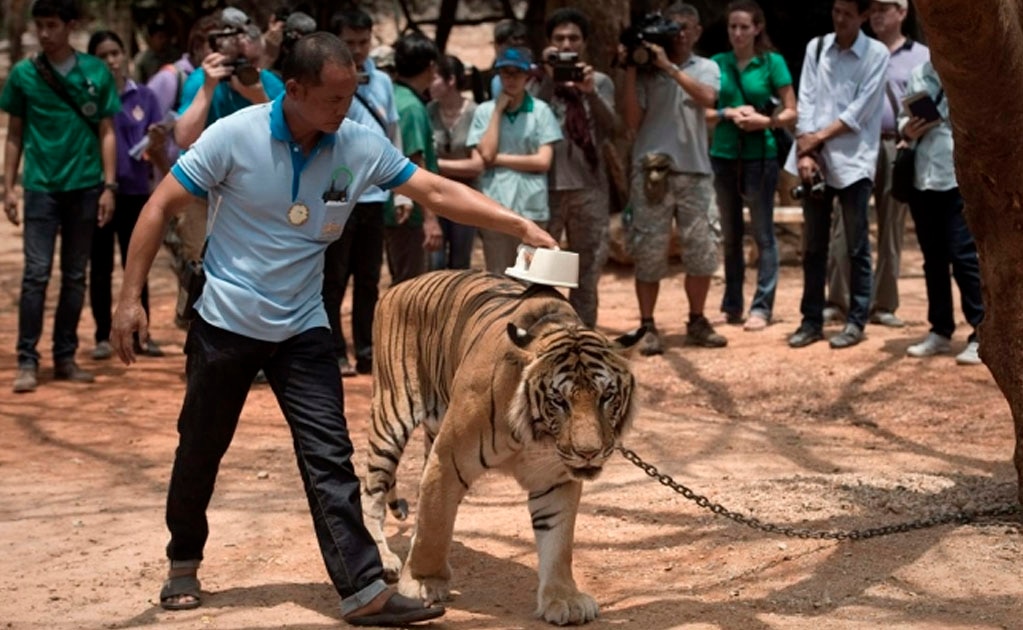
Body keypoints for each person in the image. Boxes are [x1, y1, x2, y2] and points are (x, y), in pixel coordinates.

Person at [108, 31, 557, 623]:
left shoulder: (355, 144)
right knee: (201, 448)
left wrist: (518, 225)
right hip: (226, 322)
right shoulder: (234, 136)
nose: (343, 110)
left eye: (351, 97)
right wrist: (129, 298)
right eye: (333, 98)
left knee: (328, 455)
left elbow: (435, 189)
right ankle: (183, 560)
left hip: (303, 324)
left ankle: (362, 588)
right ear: (292, 89)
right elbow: (159, 205)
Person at [1, 0, 120, 393]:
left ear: (71, 26)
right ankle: (27, 360)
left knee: (74, 276)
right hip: (40, 188)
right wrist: (8, 185)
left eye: (52, 25)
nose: (44, 33)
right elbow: (15, 132)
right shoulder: (23, 74)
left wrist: (109, 185)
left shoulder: (95, 72)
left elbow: (106, 130)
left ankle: (65, 356)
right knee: (35, 276)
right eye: (40, 25)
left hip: (85, 187)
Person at [621, 2, 727, 354]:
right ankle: (647, 325)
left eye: (686, 27)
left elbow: (707, 97)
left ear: (697, 32)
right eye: (673, 27)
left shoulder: (706, 67)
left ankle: (697, 319)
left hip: (695, 171)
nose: (679, 33)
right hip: (652, 170)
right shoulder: (646, 71)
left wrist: (669, 68)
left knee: (702, 250)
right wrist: (634, 68)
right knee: (649, 250)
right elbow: (631, 122)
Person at [171, 7, 285, 329]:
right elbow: (183, 137)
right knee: (202, 269)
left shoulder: (271, 83)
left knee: (254, 272)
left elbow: (286, 136)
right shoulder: (200, 80)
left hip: (253, 196)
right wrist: (208, 87)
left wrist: (257, 95)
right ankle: (201, 339)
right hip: (202, 196)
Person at [784, 0, 889, 350]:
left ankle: (856, 320)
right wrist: (806, 152)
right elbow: (807, 102)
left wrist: (815, 139)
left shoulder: (876, 54)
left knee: (856, 245)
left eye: (848, 13)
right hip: (814, 162)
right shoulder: (817, 48)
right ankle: (811, 320)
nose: (839, 18)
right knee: (814, 247)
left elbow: (860, 111)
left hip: (854, 161)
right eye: (836, 10)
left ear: (863, 15)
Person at [826, 0, 930, 328]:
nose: (879, 14)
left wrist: (912, 134)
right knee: (844, 222)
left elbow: (929, 105)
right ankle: (838, 300)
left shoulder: (922, 56)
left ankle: (884, 304)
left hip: (894, 143)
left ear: (903, 13)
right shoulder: (855, 50)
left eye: (887, 8)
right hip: (853, 143)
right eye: (875, 8)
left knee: (891, 227)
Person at [709, 0, 797, 332]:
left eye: (744, 26)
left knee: (763, 234)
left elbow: (792, 112)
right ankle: (732, 306)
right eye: (732, 27)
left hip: (762, 156)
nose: (737, 33)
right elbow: (702, 111)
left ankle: (762, 307)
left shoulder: (771, 63)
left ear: (757, 28)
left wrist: (764, 121)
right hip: (725, 156)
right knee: (731, 236)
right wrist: (726, 113)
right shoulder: (717, 64)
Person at [324, 7, 401, 377]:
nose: (357, 49)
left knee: (369, 278)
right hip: (338, 193)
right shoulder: (329, 80)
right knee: (333, 278)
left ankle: (367, 350)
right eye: (350, 42)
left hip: (375, 195)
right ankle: (335, 350)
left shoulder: (383, 82)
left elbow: (393, 133)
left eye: (363, 41)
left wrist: (401, 192)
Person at [87, 30, 170, 360]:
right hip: (99, 192)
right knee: (101, 266)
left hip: (137, 191)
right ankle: (101, 336)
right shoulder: (89, 97)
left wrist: (157, 139)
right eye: (102, 55)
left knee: (137, 263)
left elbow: (157, 146)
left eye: (115, 53)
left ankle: (141, 337)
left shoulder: (145, 97)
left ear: (124, 55)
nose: (110, 61)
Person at [535, 7, 617, 328]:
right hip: (546, 188)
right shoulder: (538, 82)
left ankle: (584, 336)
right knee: (541, 270)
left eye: (573, 38)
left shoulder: (600, 82)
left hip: (590, 188)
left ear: (584, 43)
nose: (567, 44)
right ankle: (544, 335)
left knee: (588, 269)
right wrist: (547, 76)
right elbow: (530, 122)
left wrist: (590, 93)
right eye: (559, 39)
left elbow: (614, 127)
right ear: (549, 43)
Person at [899, 61, 984, 365]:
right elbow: (902, 118)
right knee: (933, 258)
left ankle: (981, 333)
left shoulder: (969, 68)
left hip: (958, 176)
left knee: (963, 256)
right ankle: (940, 330)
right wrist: (907, 128)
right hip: (923, 177)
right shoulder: (918, 72)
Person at [466, 46, 563, 273]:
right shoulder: (484, 112)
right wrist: (498, 111)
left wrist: (498, 160)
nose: (511, 79)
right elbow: (485, 155)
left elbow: (542, 162)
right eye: (505, 73)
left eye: (516, 73)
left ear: (527, 76)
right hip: (495, 208)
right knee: (498, 279)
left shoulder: (541, 111)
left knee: (532, 280)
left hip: (531, 208)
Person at [385, 32, 443, 283]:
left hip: (393, 209)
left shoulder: (393, 96)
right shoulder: (411, 107)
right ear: (431, 67)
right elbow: (415, 163)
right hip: (411, 216)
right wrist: (430, 219)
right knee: (413, 290)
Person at [427, 54, 481, 270]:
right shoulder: (429, 111)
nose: (429, 83)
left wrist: (434, 165)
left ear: (451, 81)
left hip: (465, 198)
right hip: (434, 196)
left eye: (435, 78)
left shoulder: (474, 112)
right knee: (434, 265)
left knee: (460, 265)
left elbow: (476, 166)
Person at [133, 17, 181, 85]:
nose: (164, 40)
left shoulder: (175, 56)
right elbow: (138, 83)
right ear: (151, 39)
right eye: (160, 37)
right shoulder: (142, 59)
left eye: (166, 37)